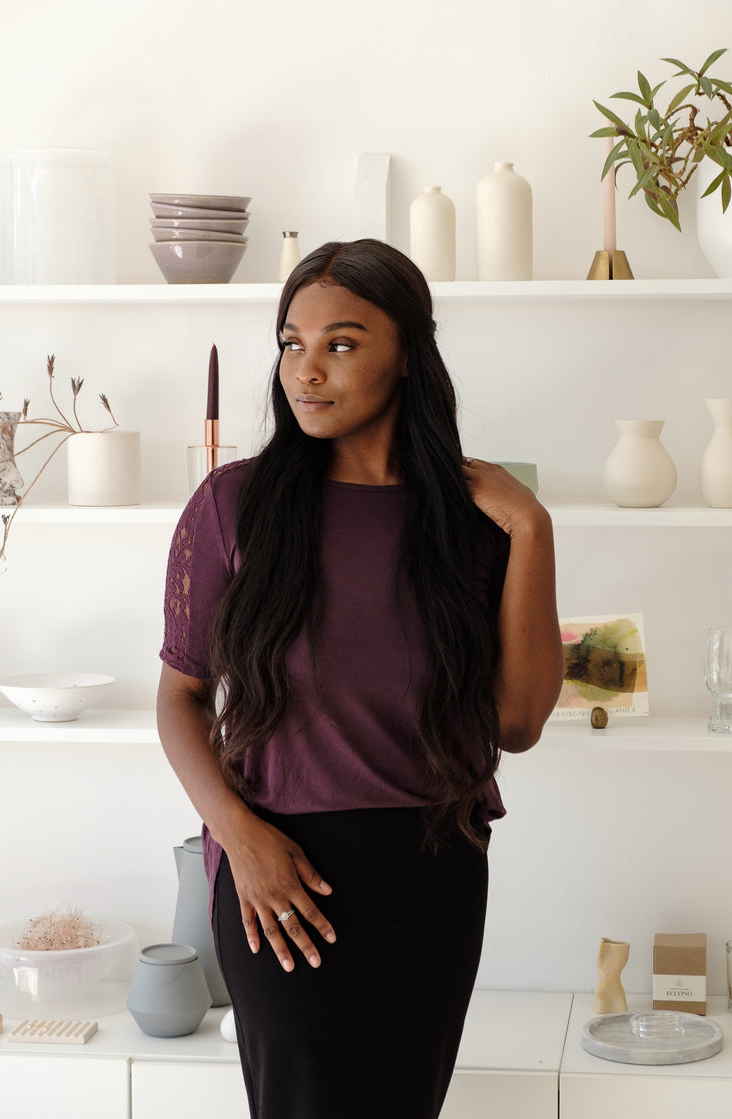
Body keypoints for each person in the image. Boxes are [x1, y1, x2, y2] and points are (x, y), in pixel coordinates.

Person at [157, 238, 563, 1119]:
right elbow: (180, 695)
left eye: (341, 343)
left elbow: (520, 722)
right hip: (280, 875)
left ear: (408, 352)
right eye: (291, 342)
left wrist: (532, 529)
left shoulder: (477, 522)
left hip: (434, 873)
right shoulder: (232, 505)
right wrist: (240, 835)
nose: (307, 369)